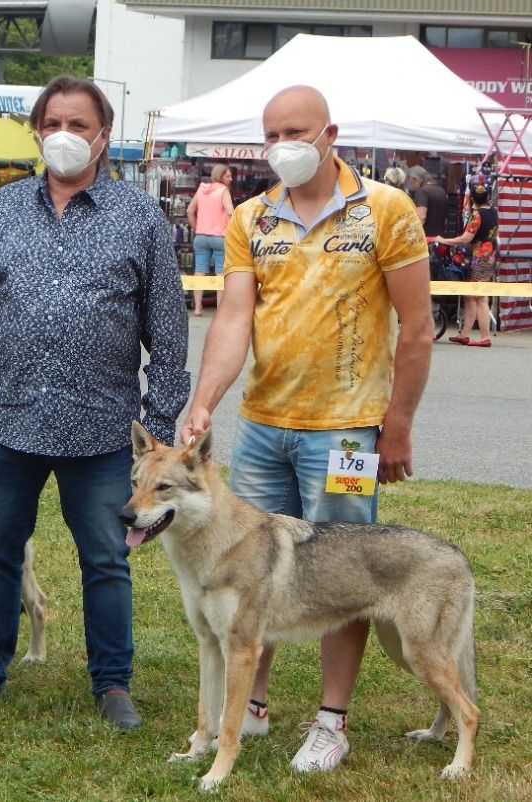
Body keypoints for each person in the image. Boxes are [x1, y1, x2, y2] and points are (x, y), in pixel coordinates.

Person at [0, 74, 190, 729]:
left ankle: (112, 685)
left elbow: (169, 331)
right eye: (52, 124)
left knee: (105, 558)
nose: (64, 136)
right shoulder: (4, 209)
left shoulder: (140, 218)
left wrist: (155, 433)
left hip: (102, 431)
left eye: (78, 124)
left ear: (103, 135)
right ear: (36, 131)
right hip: (8, 421)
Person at [180, 85, 432, 772]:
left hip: (348, 432)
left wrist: (398, 426)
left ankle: (331, 720)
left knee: (342, 578)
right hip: (263, 426)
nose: (282, 145)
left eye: (295, 130)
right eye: (270, 134)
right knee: (252, 573)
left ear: (330, 134)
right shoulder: (251, 217)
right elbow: (233, 320)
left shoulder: (386, 209)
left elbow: (417, 326)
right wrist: (205, 401)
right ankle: (251, 707)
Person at [435, 183, 498, 347]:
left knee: (480, 297)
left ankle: (485, 336)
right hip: (489, 255)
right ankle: (464, 334)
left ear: (471, 199)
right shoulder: (493, 212)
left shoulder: (476, 214)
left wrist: (444, 240)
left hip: (479, 258)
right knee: (469, 295)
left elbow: (466, 238)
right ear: (488, 197)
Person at [186, 163, 234, 315]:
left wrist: (197, 228)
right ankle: (220, 309)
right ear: (220, 176)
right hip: (220, 236)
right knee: (220, 272)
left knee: (199, 270)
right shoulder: (223, 191)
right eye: (228, 176)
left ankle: (198, 307)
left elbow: (189, 210)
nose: (231, 179)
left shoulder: (201, 189)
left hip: (201, 236)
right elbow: (230, 212)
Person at [407, 165, 448, 238]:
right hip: (440, 238)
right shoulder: (441, 190)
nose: (412, 186)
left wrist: (412, 234)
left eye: (411, 183)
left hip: (426, 238)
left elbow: (421, 217)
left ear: (416, 179)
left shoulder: (422, 191)